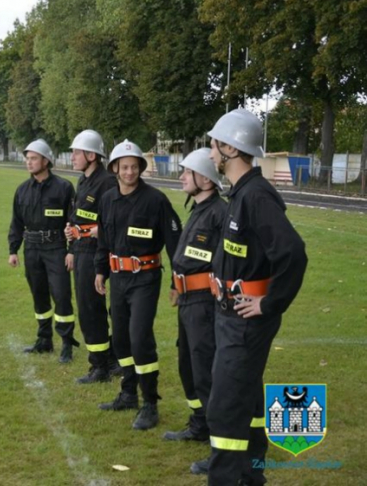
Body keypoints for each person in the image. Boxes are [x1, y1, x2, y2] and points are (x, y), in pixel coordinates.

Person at [197, 109, 307, 485]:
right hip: (231, 316)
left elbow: (292, 253)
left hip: (246, 321)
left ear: (229, 147)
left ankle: (226, 477)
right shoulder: (240, 194)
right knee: (246, 399)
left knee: (225, 408)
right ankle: (250, 472)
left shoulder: (256, 196)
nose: (210, 152)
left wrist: (269, 302)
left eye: (214, 144)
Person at [94, 140, 181, 430]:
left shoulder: (156, 200)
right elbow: (104, 240)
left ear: (140, 168)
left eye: (134, 166)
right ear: (115, 168)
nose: (129, 172)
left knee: (140, 337)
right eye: (124, 166)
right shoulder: (107, 199)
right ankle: (128, 393)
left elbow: (174, 243)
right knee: (120, 339)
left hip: (145, 278)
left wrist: (176, 281)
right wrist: (100, 272)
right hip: (117, 278)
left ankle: (150, 403)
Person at [163, 149, 226, 445]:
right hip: (188, 300)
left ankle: (218, 436)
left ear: (205, 178)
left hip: (204, 303)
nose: (181, 177)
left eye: (187, 172)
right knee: (187, 366)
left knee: (204, 369)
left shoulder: (219, 213)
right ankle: (199, 425)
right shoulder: (199, 209)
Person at [8, 139, 78, 363]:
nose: (29, 163)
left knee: (61, 295)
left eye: (34, 158)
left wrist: (72, 251)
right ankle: (44, 340)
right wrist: (13, 250)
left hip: (56, 248)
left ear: (46, 161)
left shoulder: (64, 188)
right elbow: (16, 222)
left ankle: (67, 343)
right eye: (27, 159)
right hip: (32, 249)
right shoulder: (22, 190)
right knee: (39, 295)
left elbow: (74, 221)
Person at [63, 130, 121, 383]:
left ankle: (101, 366)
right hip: (82, 250)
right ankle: (108, 359)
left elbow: (113, 219)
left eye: (76, 152)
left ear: (91, 155)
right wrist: (72, 238)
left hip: (99, 251)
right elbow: (80, 216)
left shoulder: (107, 182)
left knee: (92, 308)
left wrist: (93, 231)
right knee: (88, 307)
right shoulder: (83, 181)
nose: (72, 156)